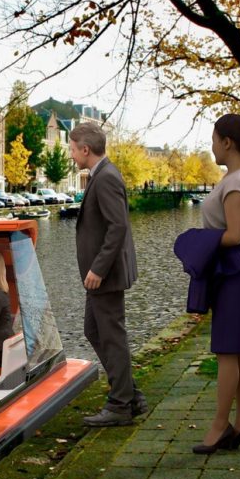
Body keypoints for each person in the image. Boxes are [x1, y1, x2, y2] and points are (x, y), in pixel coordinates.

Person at [190, 113, 240, 454]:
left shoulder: (235, 182)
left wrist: (199, 243)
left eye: (214, 139)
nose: (212, 145)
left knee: (226, 352)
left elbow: (233, 235)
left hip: (232, 269)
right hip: (238, 267)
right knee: (239, 350)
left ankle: (221, 426)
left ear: (227, 142)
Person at [70, 122, 147, 426]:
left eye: (73, 150)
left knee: (112, 336)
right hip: (101, 276)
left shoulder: (105, 178)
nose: (73, 156)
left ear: (85, 149)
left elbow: (118, 227)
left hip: (106, 275)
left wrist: (98, 269)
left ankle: (119, 405)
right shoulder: (101, 175)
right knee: (94, 331)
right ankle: (129, 395)